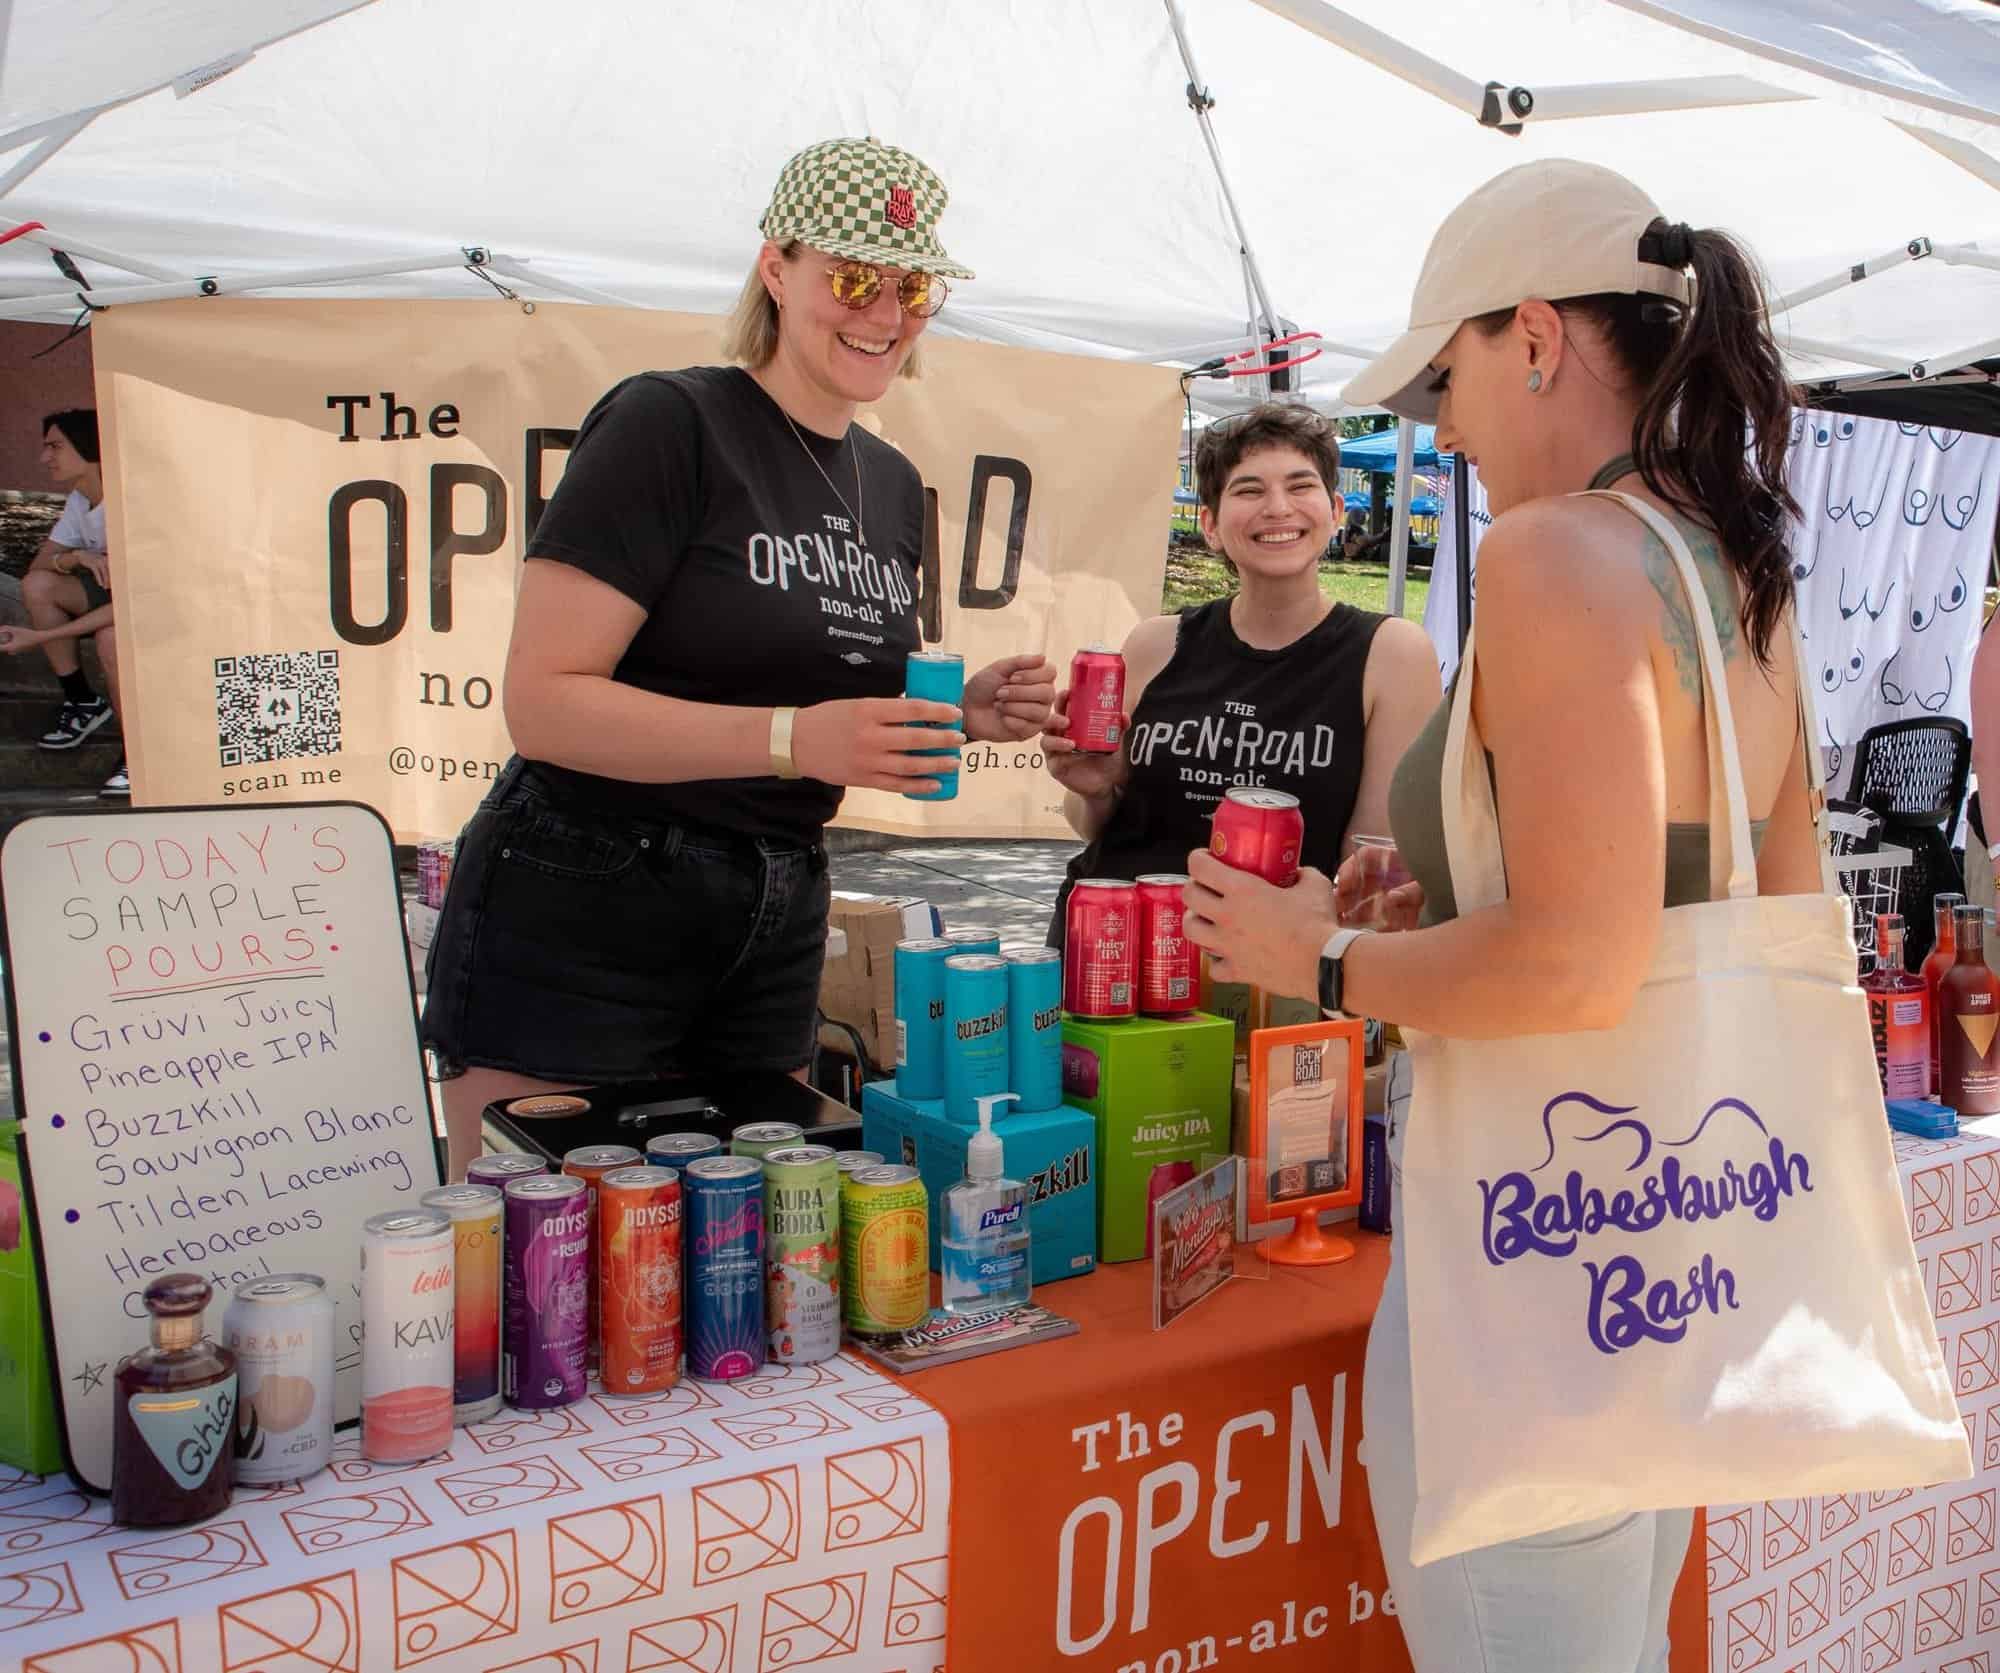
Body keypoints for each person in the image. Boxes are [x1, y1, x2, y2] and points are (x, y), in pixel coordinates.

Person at [1180, 159, 1824, 1671]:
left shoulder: (1550, 554)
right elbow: (1756, 907)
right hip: (1679, 1251)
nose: (1442, 426)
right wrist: (1455, 880)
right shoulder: (1737, 567)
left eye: (1449, 376)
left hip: (1534, 1254)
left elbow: (1577, 962)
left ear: (1533, 335)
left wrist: (1322, 953)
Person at [422, 137, 1054, 1181]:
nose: (884, 313)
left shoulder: (891, 483)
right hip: (594, 889)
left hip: (777, 902)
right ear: (775, 268)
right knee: (544, 1245)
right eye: (852, 276)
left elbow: (805, 681)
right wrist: (792, 738)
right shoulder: (672, 420)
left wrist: (957, 707)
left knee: (746, 1258)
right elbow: (545, 703)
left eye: (913, 285)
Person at [1041, 402, 1438, 952]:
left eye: (1301, 486)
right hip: (1111, 950)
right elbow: (1095, 825)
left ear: (1336, 509)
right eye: (1249, 490)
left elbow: (1374, 873)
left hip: (1271, 968)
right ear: (1209, 524)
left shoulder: (1391, 654)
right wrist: (1097, 789)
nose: (1278, 508)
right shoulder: (1156, 643)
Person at [0, 409, 127, 795]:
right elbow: (39, 567)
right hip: (112, 595)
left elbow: (132, 606)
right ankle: (82, 702)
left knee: (109, 638)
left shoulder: (127, 496)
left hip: (157, 603)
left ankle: (138, 752)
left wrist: (35, 640)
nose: (44, 458)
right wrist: (74, 558)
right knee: (39, 586)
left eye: (55, 446)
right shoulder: (80, 499)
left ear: (90, 446)